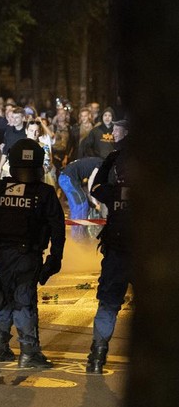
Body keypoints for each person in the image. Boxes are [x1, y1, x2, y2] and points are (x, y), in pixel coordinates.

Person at [0, 138, 65, 368]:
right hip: (28, 256)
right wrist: (54, 259)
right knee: (24, 302)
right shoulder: (45, 193)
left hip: (4, 255)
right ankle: (28, 352)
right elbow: (58, 229)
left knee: (4, 299)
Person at [86, 120, 130, 373]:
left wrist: (109, 161)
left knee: (108, 304)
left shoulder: (114, 192)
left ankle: (97, 356)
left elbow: (96, 188)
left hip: (116, 253)